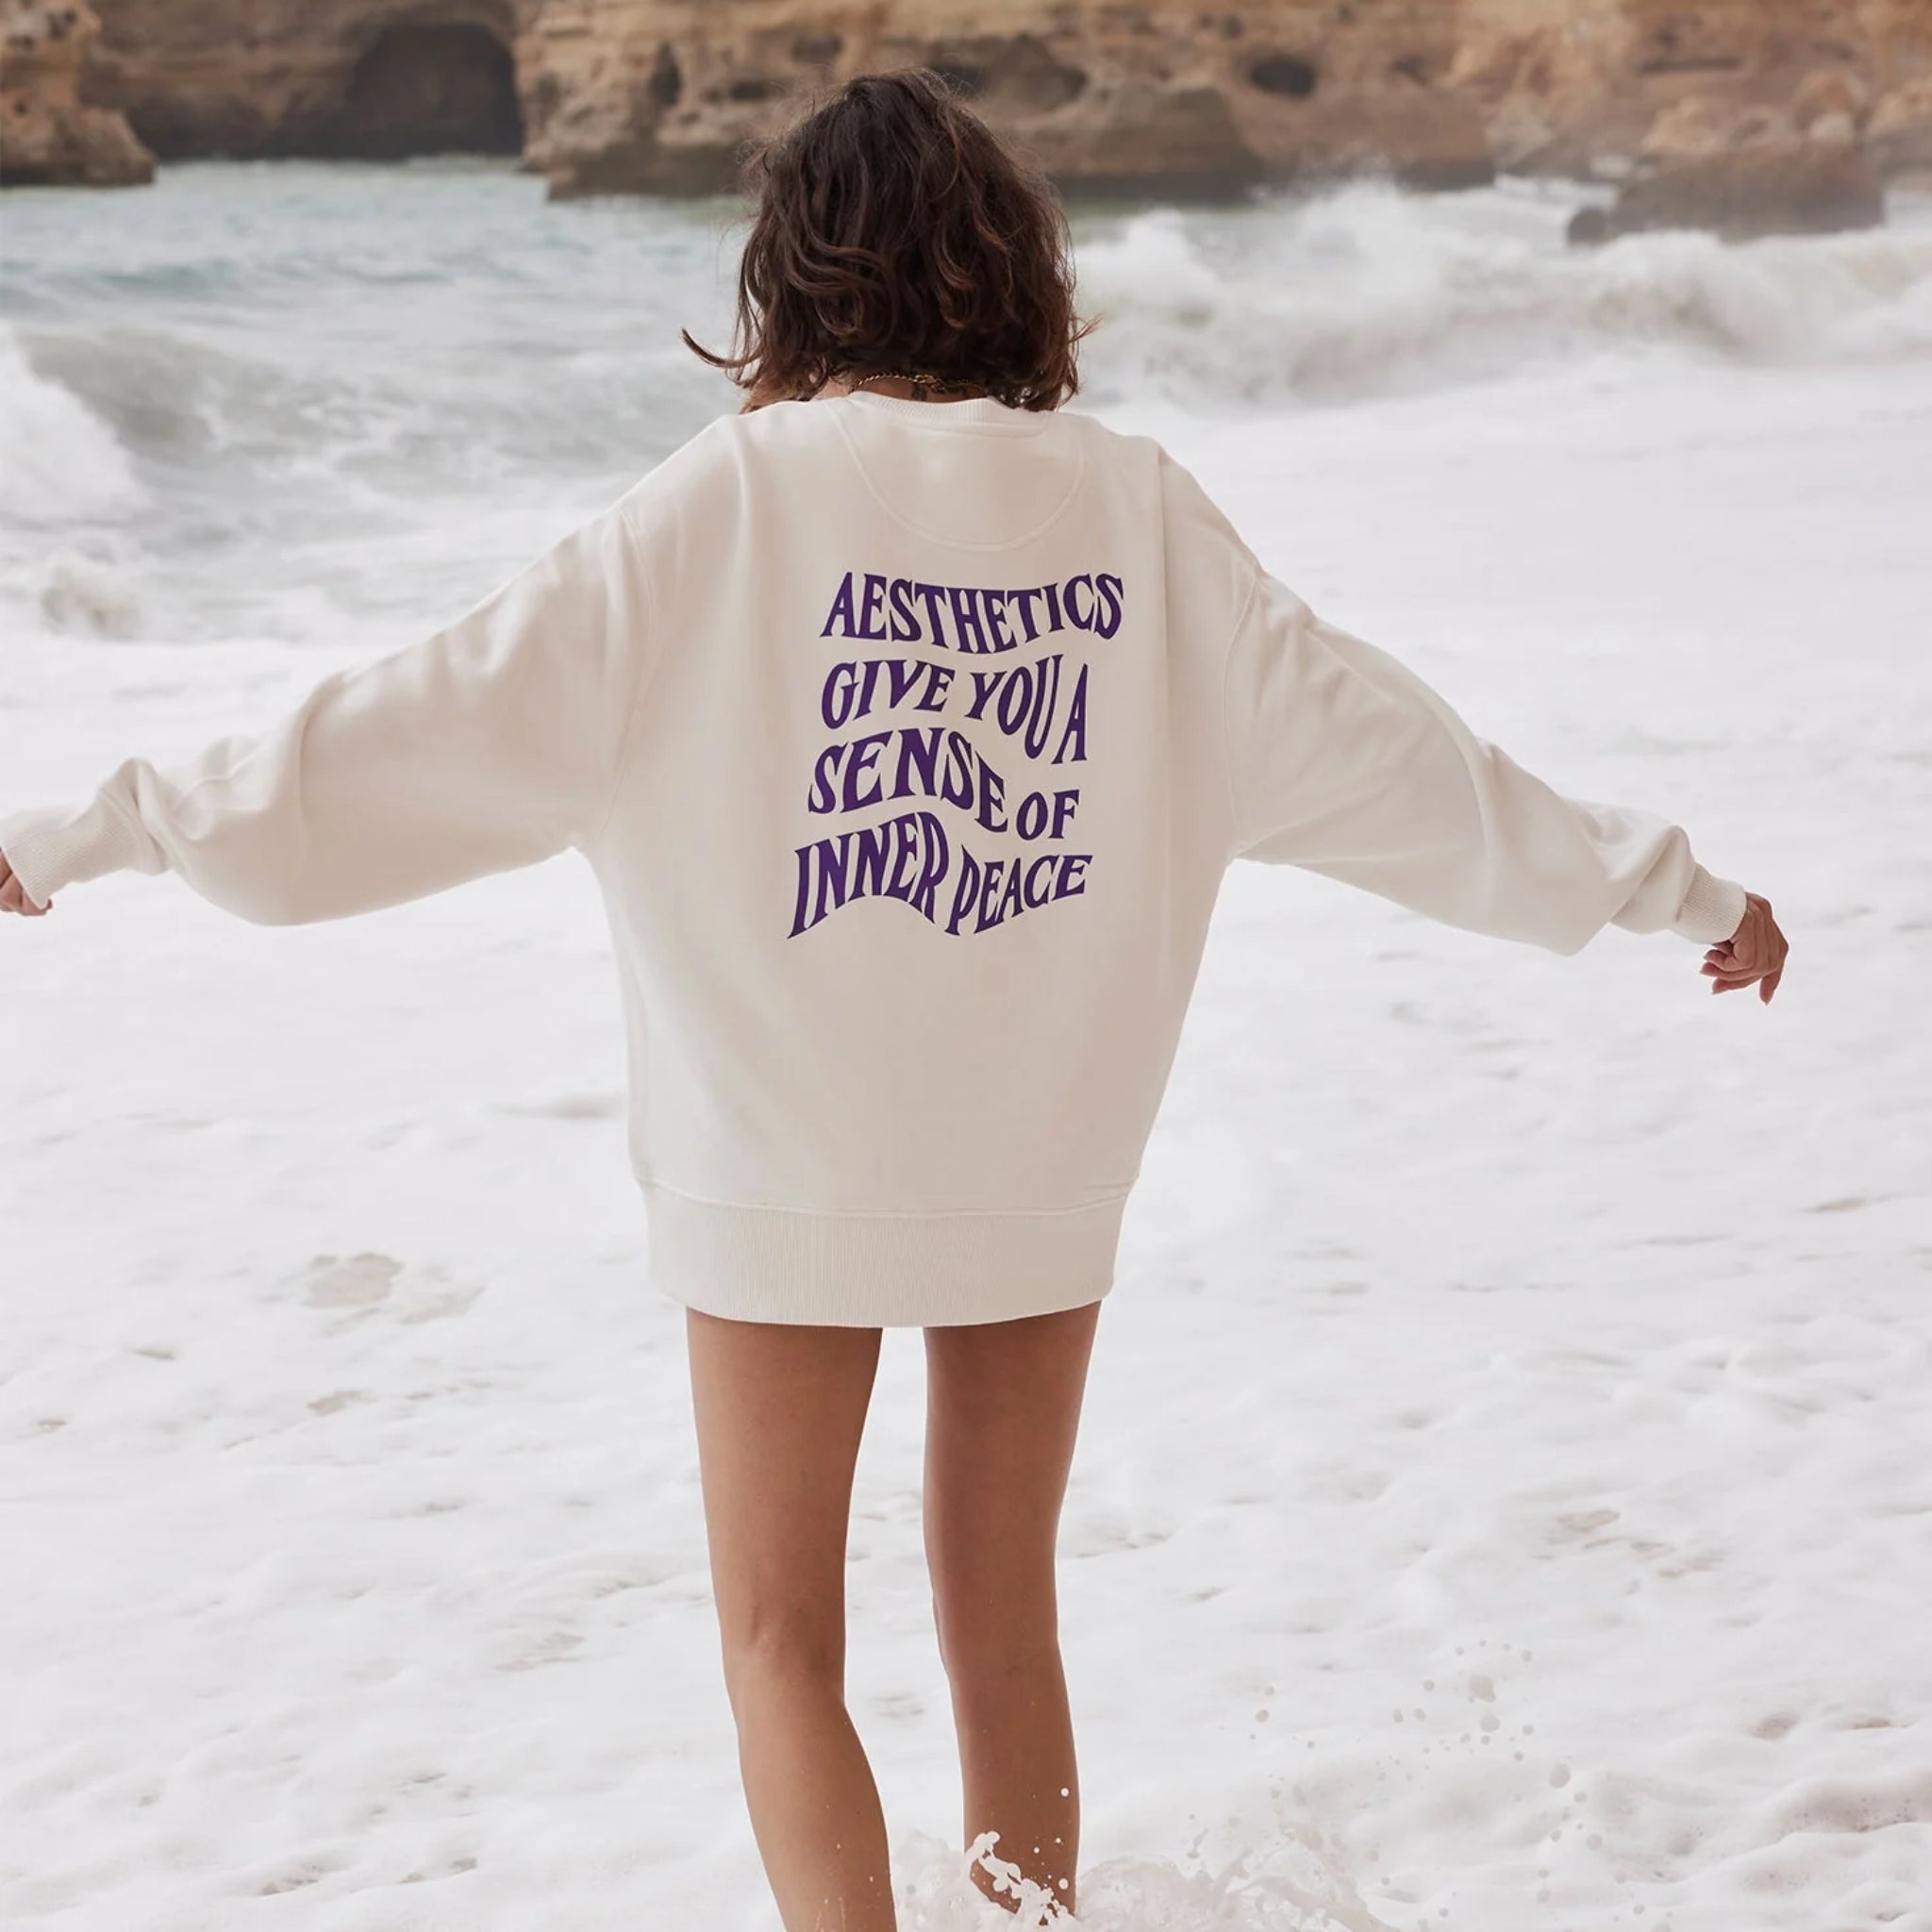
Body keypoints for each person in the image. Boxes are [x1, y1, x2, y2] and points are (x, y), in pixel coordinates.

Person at [0, 63, 1786, 1932]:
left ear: (789, 285)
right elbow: (1406, 760)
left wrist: (91, 823)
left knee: (780, 1637)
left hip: (778, 1157)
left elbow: (407, 722)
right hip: (1029, 1151)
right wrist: (1674, 886)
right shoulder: (1134, 511)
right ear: (1007, 272)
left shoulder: (724, 505)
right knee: (998, 1612)